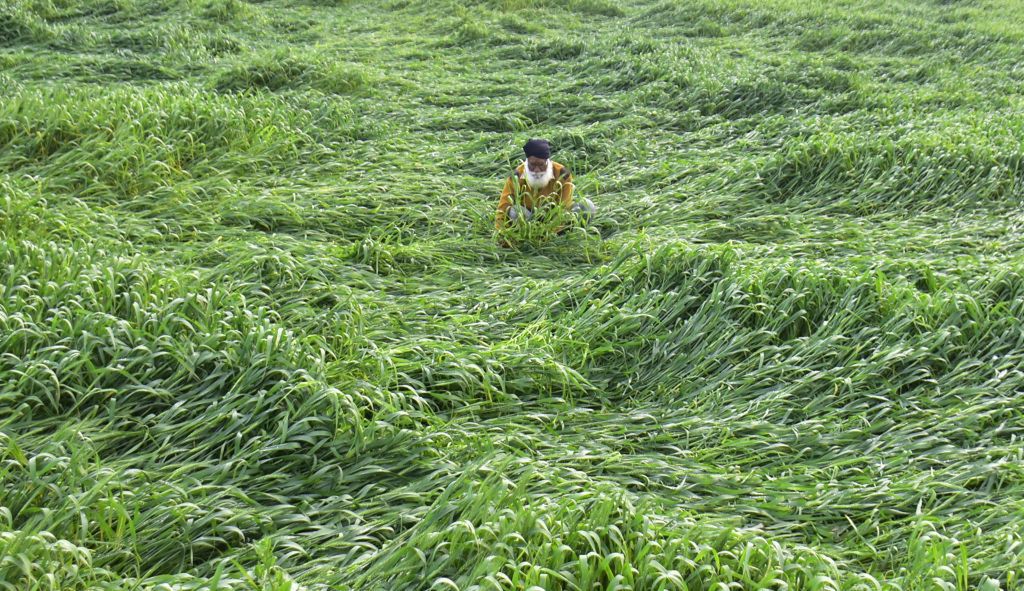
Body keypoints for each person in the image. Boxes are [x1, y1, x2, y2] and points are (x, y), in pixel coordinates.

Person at [495, 138, 596, 246]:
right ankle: (528, 240)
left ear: (547, 162)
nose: (537, 170)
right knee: (515, 211)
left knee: (587, 206)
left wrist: (549, 233)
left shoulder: (562, 174)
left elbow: (564, 207)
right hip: (528, 220)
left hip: (555, 219)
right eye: (532, 165)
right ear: (527, 161)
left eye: (541, 165)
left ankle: (562, 240)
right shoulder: (516, 176)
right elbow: (503, 207)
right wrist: (500, 234)